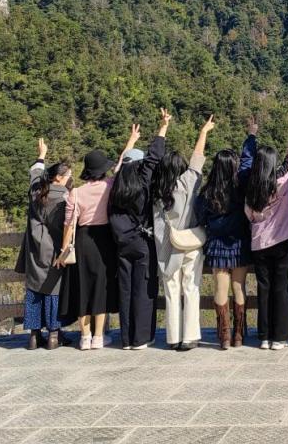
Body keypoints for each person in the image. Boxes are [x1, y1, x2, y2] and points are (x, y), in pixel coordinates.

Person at [58, 126, 141, 350]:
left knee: (83, 287)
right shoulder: (110, 186)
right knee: (101, 287)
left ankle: (84, 337)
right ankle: (98, 336)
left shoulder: (76, 193)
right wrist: (131, 140)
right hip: (105, 239)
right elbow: (122, 165)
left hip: (83, 240)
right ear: (103, 169)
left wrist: (63, 251)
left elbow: (69, 225)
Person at [246, 110, 288, 349]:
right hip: (284, 241)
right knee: (283, 287)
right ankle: (282, 337)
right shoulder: (283, 179)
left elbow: (249, 213)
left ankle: (264, 336)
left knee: (264, 289)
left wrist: (251, 136)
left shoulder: (251, 185)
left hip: (259, 244)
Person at [108, 108, 172, 350]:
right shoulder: (143, 181)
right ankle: (141, 338)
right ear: (139, 165)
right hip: (143, 241)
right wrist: (163, 127)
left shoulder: (115, 185)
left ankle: (126, 338)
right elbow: (154, 157)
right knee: (144, 289)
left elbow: (120, 165)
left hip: (121, 243)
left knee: (125, 289)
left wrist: (131, 141)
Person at [153, 115, 215, 351]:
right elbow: (197, 159)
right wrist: (203, 132)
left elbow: (157, 226)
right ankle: (189, 337)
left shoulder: (158, 192)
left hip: (168, 246)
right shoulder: (188, 183)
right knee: (191, 288)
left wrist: (163, 128)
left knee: (171, 290)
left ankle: (173, 338)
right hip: (190, 243)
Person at [196, 117, 259, 349]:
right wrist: (251, 135)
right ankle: (239, 335)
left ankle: (224, 335)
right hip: (239, 242)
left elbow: (200, 217)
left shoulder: (208, 192)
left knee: (220, 288)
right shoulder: (240, 185)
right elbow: (248, 161)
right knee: (239, 286)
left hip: (216, 244)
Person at [16, 138, 72, 350]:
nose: (70, 178)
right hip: (55, 249)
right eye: (68, 175)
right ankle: (54, 336)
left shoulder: (37, 192)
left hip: (33, 248)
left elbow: (35, 174)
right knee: (53, 290)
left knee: (34, 289)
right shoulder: (65, 198)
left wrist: (41, 155)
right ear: (59, 178)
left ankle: (33, 336)